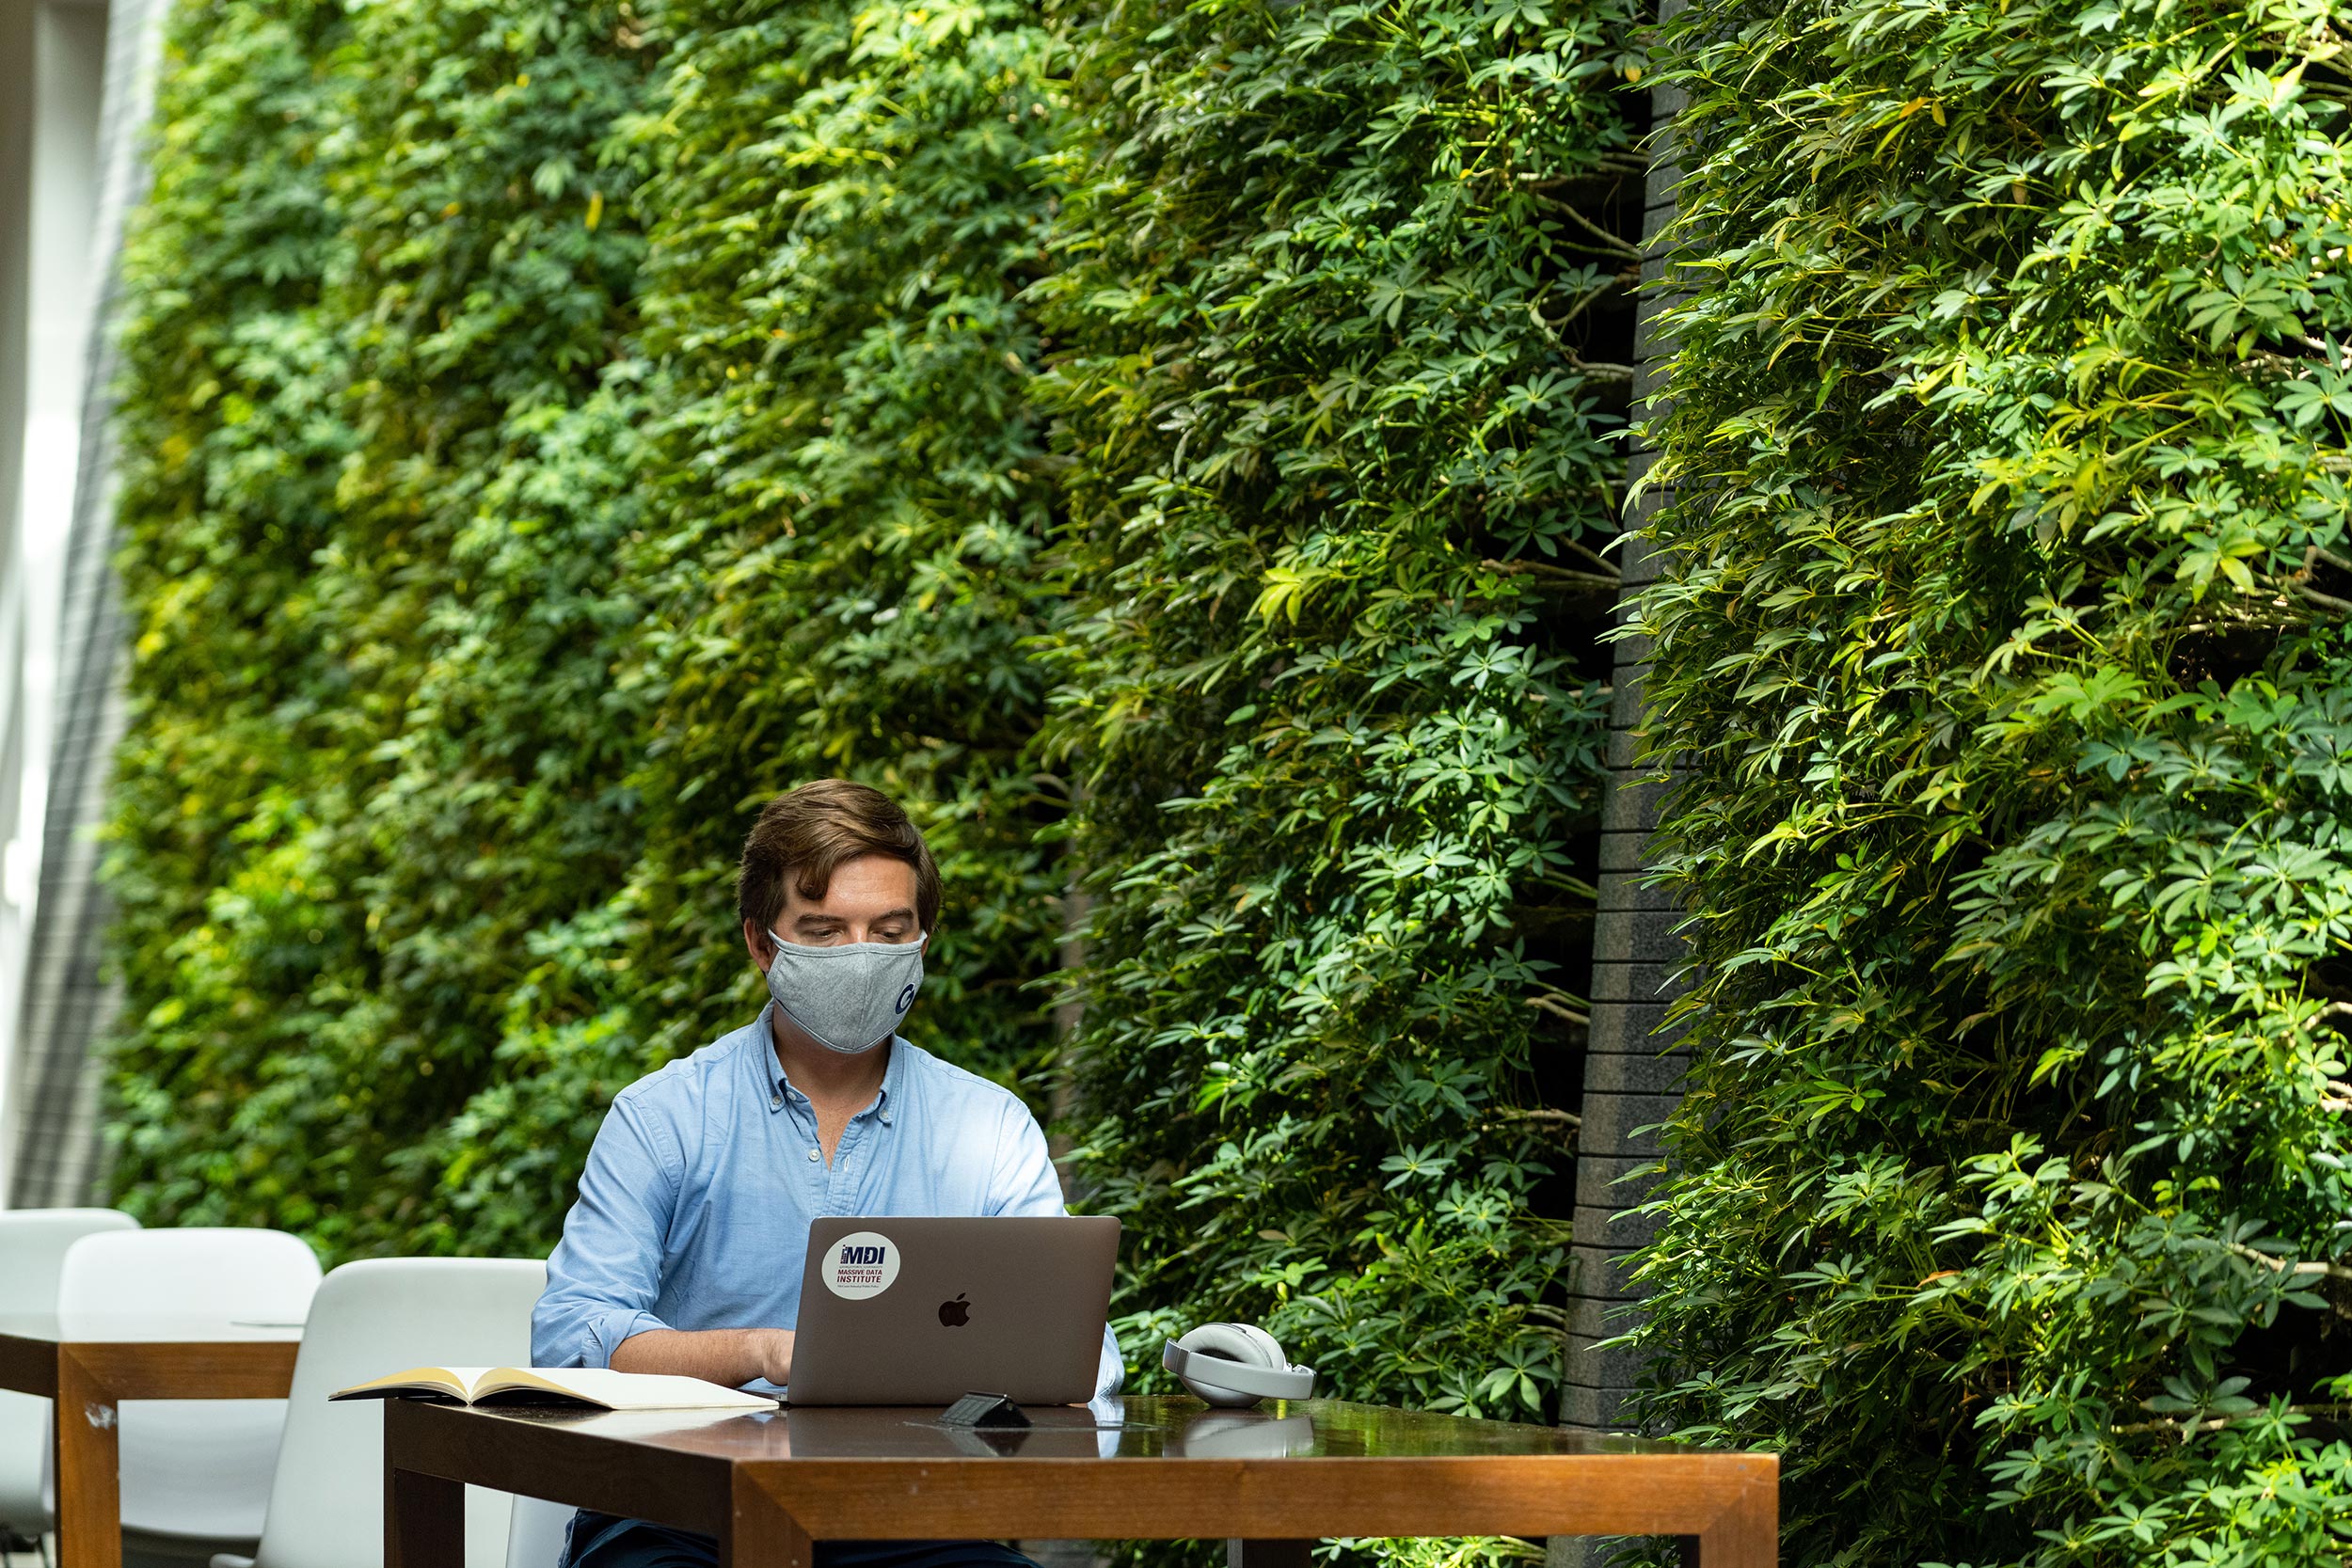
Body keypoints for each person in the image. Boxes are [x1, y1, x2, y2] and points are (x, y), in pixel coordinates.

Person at [532, 779, 1120, 1568]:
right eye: (824, 929)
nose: (861, 956)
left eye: (889, 929)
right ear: (761, 942)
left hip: (918, 1527)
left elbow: (1078, 1355)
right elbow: (570, 1338)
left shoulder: (990, 1128)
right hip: (676, 1518)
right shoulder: (663, 1117)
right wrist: (762, 1350)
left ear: (923, 937)